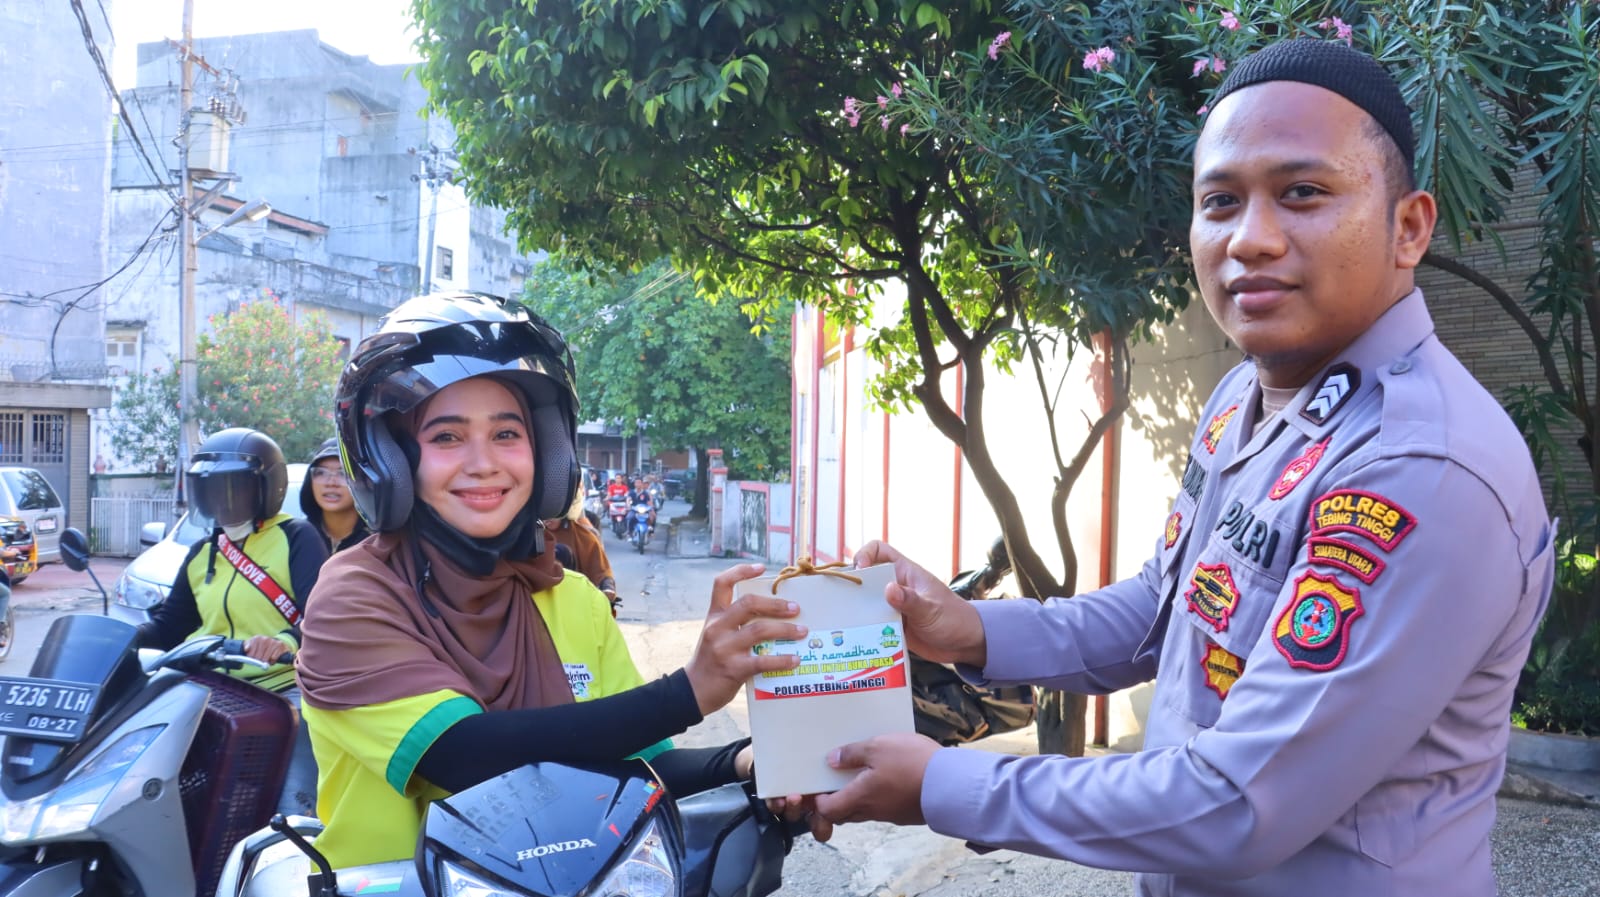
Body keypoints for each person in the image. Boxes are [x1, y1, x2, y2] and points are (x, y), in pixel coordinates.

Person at [789, 39, 1557, 896]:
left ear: (1408, 225)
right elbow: (1164, 607)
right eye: (1221, 201)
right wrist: (968, 627)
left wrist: (940, 784)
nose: (1252, 239)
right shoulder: (1244, 396)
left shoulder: (1419, 465)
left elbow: (1236, 802)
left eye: (1302, 193)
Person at [295, 292, 804, 869]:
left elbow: (633, 769)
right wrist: (687, 692)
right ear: (390, 460)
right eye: (446, 437)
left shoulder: (574, 599)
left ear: (547, 455)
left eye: (507, 434)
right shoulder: (355, 594)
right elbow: (461, 757)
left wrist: (748, 763)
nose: (484, 462)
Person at [135, 426, 328, 817]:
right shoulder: (202, 551)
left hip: (281, 688)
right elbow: (170, 626)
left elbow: (322, 615)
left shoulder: (296, 537)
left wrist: (286, 642)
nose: (222, 501)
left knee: (291, 800)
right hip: (212, 689)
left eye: (234, 488)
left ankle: (295, 839)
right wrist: (120, 640)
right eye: (210, 490)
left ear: (265, 489)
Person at [544, 480, 619, 610]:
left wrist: (608, 588)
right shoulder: (526, 534)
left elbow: (602, 572)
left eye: (554, 509)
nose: (548, 516)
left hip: (574, 605)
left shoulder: (584, 536)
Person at [299, 437, 371, 555]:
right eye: (321, 472)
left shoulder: (377, 542)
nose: (331, 482)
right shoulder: (299, 537)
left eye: (343, 474)